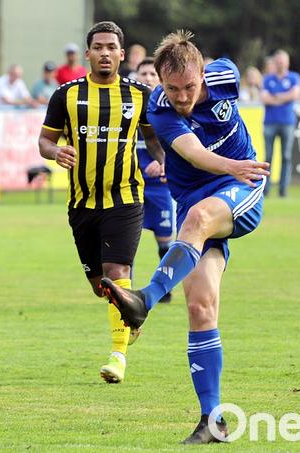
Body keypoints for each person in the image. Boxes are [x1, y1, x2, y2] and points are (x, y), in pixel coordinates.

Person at [98, 30, 270, 444]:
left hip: (241, 188)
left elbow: (216, 157)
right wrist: (230, 165)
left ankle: (144, 300)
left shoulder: (224, 73)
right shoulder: (159, 109)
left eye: (190, 86)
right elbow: (193, 154)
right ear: (160, 81)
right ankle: (213, 420)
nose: (182, 96)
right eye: (172, 88)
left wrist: (237, 169)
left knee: (197, 216)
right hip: (204, 194)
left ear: (203, 75)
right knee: (200, 306)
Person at [38, 21, 166, 385]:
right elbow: (44, 142)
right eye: (99, 47)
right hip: (81, 204)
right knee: (101, 286)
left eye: (112, 47)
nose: (105, 53)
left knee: (116, 273)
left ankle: (118, 356)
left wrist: (162, 158)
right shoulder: (65, 95)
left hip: (125, 198)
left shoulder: (140, 95)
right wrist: (55, 151)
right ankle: (131, 314)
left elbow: (155, 138)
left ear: (122, 54)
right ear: (88, 53)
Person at [134, 57, 176, 303]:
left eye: (152, 74)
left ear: (159, 79)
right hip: (132, 184)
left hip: (160, 186)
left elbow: (178, 145)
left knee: (164, 239)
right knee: (127, 238)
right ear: (136, 76)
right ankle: (124, 290)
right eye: (143, 74)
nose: (147, 78)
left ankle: (164, 288)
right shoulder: (127, 106)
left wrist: (162, 163)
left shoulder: (167, 109)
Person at [260, 49, 300, 198]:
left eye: (283, 61)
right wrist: (285, 97)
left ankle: (283, 190)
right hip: (270, 122)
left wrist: (276, 97)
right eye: (278, 61)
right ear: (275, 62)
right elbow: (264, 98)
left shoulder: (294, 77)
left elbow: (295, 94)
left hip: (287, 122)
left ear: (287, 62)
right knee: (268, 157)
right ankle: (265, 190)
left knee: (286, 156)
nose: (280, 63)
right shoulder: (267, 79)